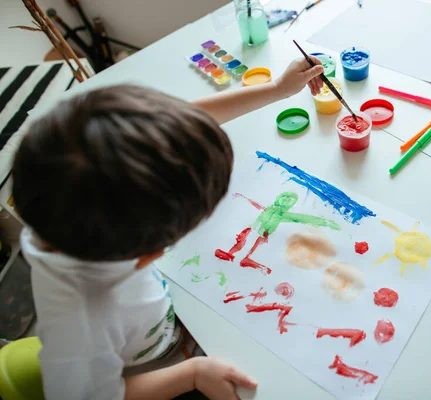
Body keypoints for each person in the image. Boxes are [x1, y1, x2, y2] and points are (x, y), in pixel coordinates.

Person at [11, 58, 324, 400]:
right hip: (159, 368)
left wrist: (278, 89)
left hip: (171, 318)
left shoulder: (67, 195)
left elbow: (176, 130)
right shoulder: (85, 318)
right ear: (154, 253)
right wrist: (191, 375)